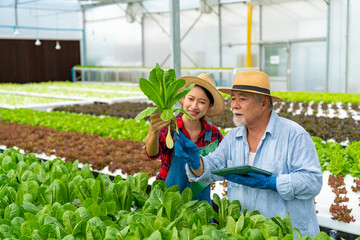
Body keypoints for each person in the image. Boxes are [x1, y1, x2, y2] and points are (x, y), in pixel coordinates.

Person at [176, 70, 323, 236]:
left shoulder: (294, 135)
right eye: (233, 99)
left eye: (242, 99)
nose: (234, 105)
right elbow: (212, 166)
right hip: (246, 233)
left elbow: (313, 181)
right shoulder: (233, 138)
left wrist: (273, 183)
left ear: (264, 103)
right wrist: (197, 162)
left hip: (286, 234)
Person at [144, 73, 225, 204]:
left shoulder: (214, 133)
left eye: (202, 102)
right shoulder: (170, 127)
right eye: (191, 99)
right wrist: (153, 131)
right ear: (183, 99)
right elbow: (152, 153)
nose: (194, 106)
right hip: (169, 199)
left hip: (199, 201)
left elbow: (220, 165)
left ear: (209, 105)